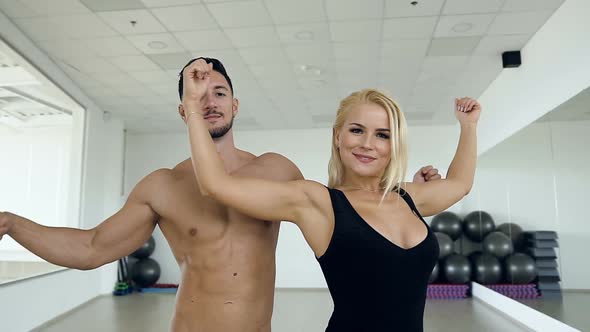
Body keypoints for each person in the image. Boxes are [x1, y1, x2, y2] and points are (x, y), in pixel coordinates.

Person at [0, 57, 441, 332]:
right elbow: (91, 248)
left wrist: (404, 193)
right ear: (183, 110)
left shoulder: (277, 170)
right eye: (197, 95)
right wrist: (12, 223)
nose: (209, 100)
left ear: (235, 105)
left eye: (219, 92)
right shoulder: (162, 185)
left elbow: (347, 215)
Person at [182, 59, 481, 331]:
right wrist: (193, 106)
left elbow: (460, 183)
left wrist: (468, 126)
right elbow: (215, 184)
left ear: (394, 145)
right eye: (356, 130)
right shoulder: (318, 203)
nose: (367, 143)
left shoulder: (408, 198)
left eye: (382, 135)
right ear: (338, 136)